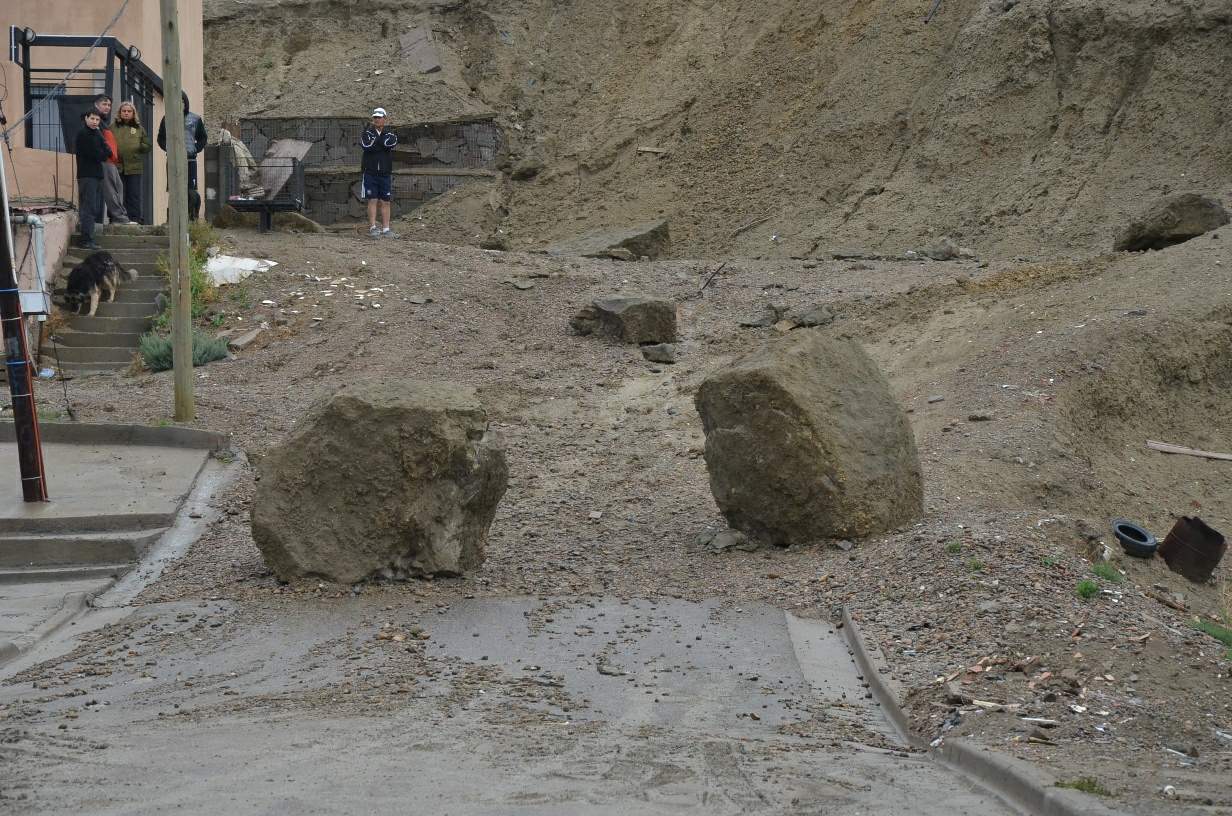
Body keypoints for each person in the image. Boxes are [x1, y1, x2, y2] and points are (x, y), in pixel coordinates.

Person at [157, 92, 208, 221]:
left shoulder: (195, 119)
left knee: (190, 190)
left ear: (186, 103)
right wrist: (168, 147)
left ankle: (192, 218)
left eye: (182, 102)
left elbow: (202, 137)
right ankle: (173, 220)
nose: (179, 104)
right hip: (173, 160)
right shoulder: (167, 118)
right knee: (174, 190)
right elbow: (161, 138)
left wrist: (195, 149)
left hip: (189, 160)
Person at [74, 111, 110, 250]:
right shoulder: (83, 134)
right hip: (87, 175)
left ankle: (89, 238)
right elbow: (96, 154)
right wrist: (103, 152)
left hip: (96, 174)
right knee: (88, 207)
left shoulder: (97, 133)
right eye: (92, 118)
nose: (95, 121)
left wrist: (103, 152)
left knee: (93, 207)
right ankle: (86, 239)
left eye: (97, 119)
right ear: (86, 118)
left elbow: (108, 151)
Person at [360, 107, 398, 237]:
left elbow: (390, 144)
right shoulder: (367, 133)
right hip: (370, 172)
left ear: (384, 119)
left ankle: (386, 229)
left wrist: (378, 142)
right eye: (375, 117)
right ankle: (373, 227)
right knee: (372, 200)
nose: (376, 119)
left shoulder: (390, 133)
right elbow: (367, 146)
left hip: (385, 173)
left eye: (379, 117)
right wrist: (380, 142)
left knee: (386, 201)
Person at [93, 95, 131, 224]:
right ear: (97, 105)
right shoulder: (96, 120)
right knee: (111, 190)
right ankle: (119, 218)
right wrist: (107, 154)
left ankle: (120, 216)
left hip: (111, 161)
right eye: (104, 104)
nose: (107, 107)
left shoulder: (103, 121)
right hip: (105, 161)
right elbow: (99, 142)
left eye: (109, 105)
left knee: (118, 188)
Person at [112, 101, 151, 224]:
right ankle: (117, 218)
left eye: (129, 111)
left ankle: (134, 219)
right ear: (120, 113)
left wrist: (139, 147)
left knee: (133, 194)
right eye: (124, 111)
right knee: (117, 193)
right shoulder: (112, 127)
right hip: (117, 166)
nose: (126, 113)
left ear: (133, 113)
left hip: (134, 166)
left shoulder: (139, 128)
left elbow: (147, 145)